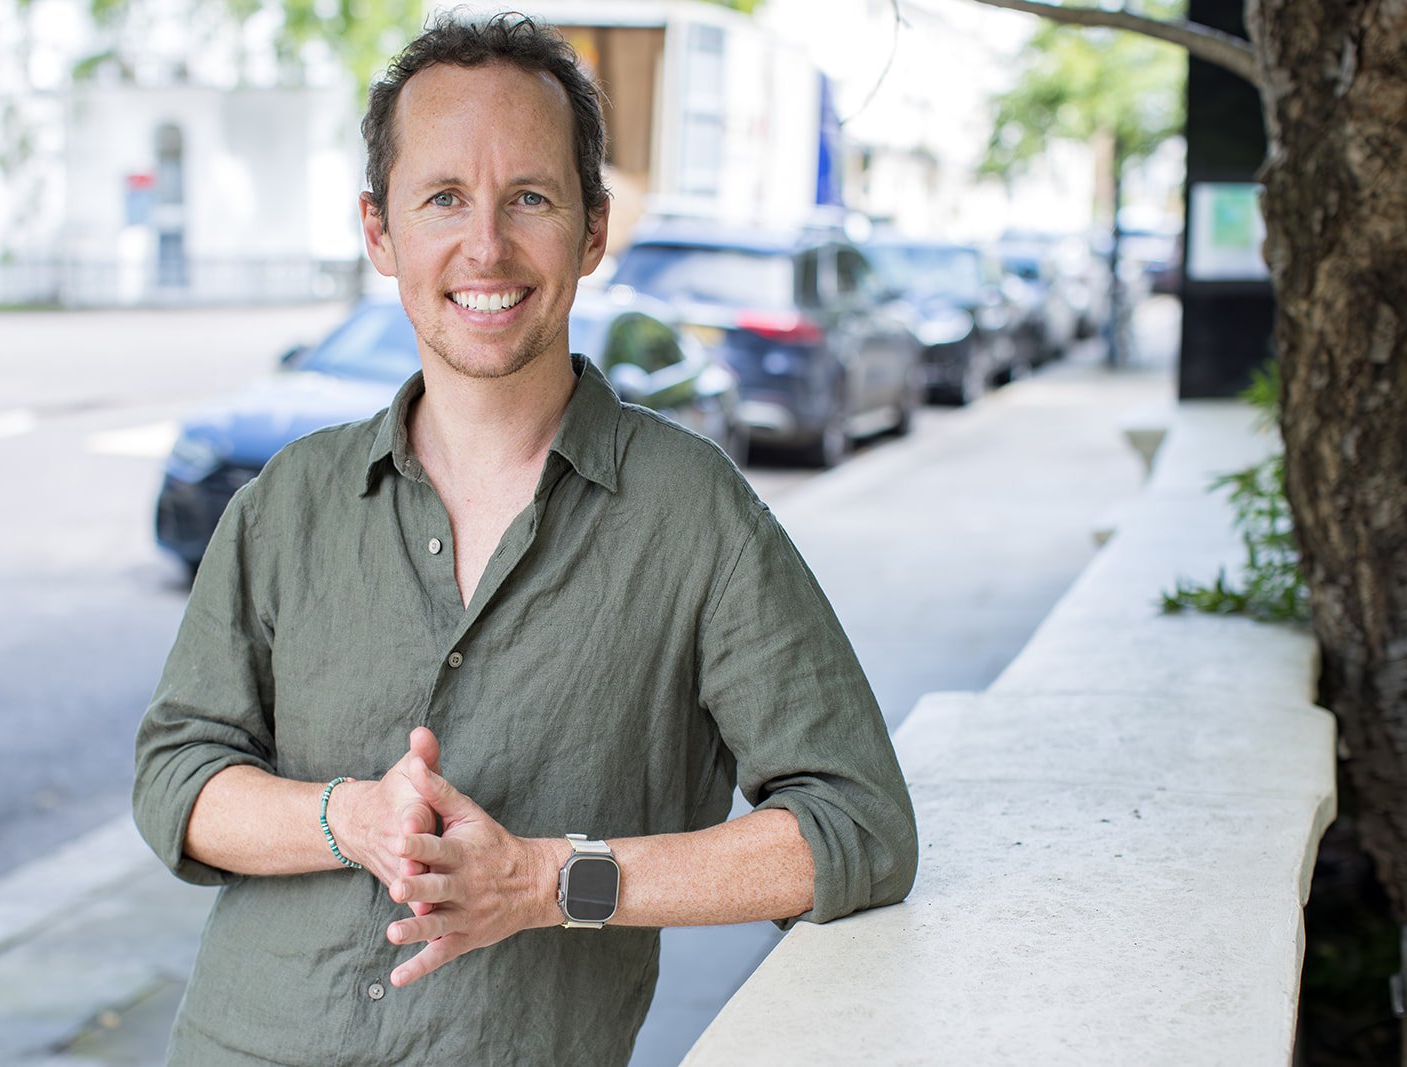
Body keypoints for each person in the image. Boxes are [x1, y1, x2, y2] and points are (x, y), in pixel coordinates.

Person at [133, 12, 917, 1065]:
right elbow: (177, 778)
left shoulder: (691, 513)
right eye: (443, 197)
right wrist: (351, 817)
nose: (485, 246)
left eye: (530, 198)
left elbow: (857, 827)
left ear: (593, 230)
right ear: (381, 231)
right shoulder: (289, 501)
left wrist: (552, 879)